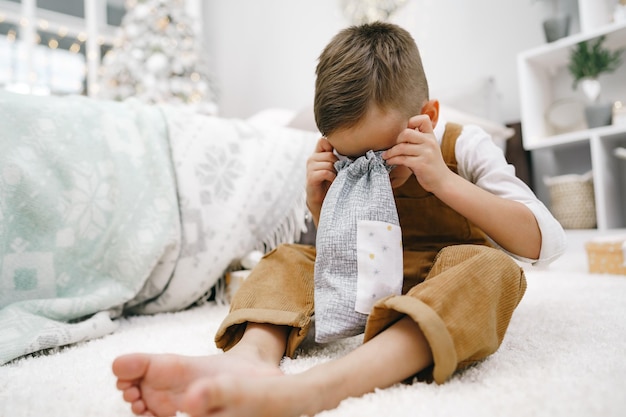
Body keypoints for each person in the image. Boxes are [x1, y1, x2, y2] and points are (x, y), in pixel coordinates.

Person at [112, 22, 566, 417]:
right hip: (366, 283)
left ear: (425, 119)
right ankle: (249, 359)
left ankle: (325, 385)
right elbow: (336, 264)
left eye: (380, 155)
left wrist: (444, 181)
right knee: (289, 257)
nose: (366, 168)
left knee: (493, 270)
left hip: (439, 286)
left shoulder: (464, 146)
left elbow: (543, 244)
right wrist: (320, 208)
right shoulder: (336, 156)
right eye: (352, 158)